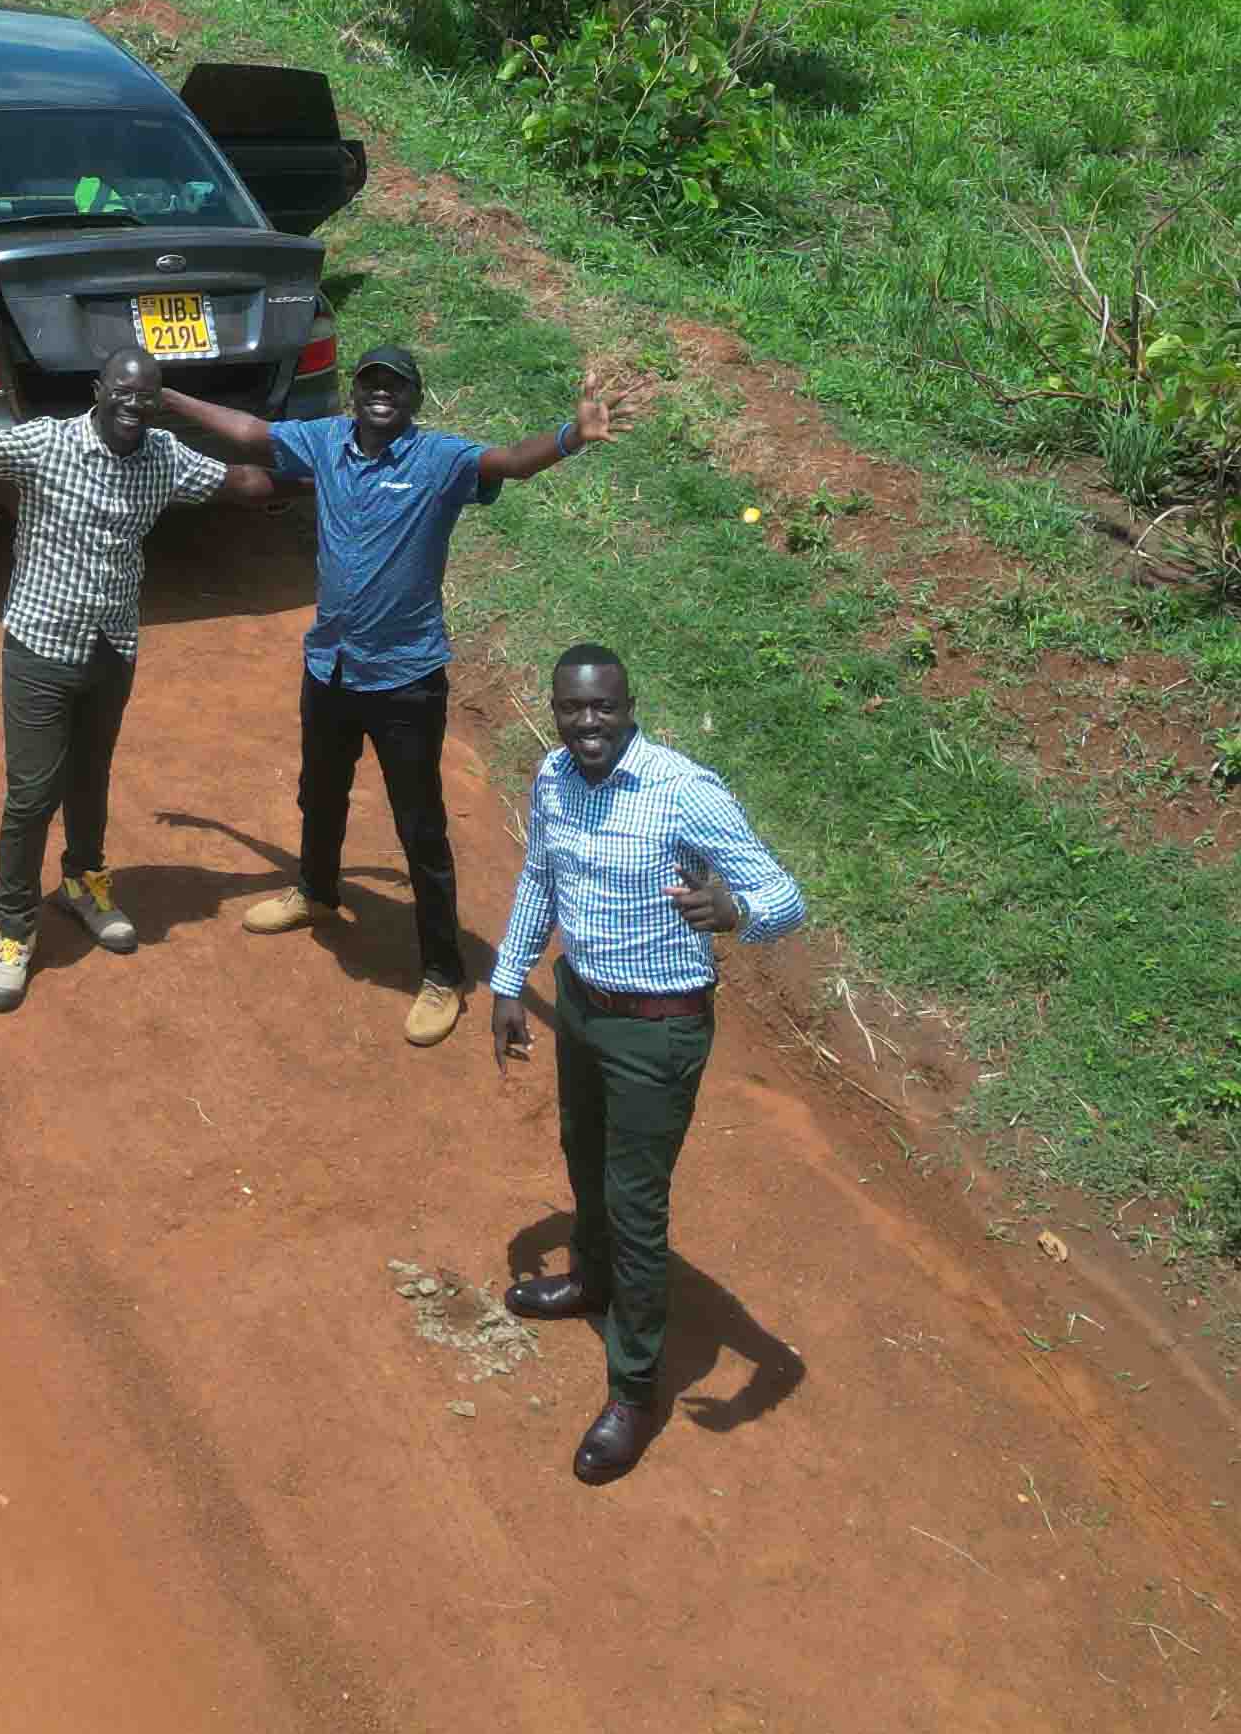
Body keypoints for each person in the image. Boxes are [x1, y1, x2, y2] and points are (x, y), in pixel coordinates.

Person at [152, 346, 623, 1046]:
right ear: (354, 394)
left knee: (419, 827)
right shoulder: (322, 444)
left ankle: (442, 972)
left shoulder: (438, 461)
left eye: (395, 387)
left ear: (414, 400)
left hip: (406, 677)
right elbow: (251, 433)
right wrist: (167, 398)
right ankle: (315, 891)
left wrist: (571, 436)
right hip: (331, 667)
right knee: (320, 790)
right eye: (370, 383)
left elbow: (509, 463)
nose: (381, 395)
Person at [0, 350, 272, 1014]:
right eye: (121, 392)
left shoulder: (163, 457)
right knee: (33, 795)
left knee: (91, 777)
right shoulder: (48, 445)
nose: (132, 406)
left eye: (146, 397)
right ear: (98, 391)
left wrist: (335, 466)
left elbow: (245, 484)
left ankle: (85, 882)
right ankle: (13, 927)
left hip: (112, 646)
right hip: (39, 648)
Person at [489, 643, 804, 1485]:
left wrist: (737, 910)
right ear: (555, 709)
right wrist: (507, 980)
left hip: (658, 1029)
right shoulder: (552, 778)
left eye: (604, 708)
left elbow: (785, 897)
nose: (587, 724)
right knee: (581, 1157)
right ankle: (590, 1283)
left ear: (631, 705)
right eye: (571, 709)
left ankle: (633, 1389)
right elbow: (538, 880)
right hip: (583, 1006)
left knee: (636, 1201)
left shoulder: (682, 791)